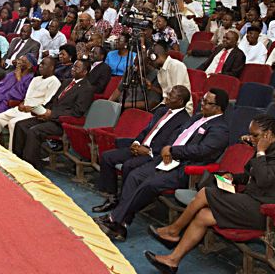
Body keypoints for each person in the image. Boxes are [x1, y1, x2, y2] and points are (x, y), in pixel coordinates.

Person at [144, 114, 275, 274]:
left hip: (261, 210)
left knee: (205, 193)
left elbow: (264, 179)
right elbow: (251, 175)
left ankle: (173, 230)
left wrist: (261, 152)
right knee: (203, 216)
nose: (251, 138)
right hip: (249, 202)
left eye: (255, 135)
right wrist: (233, 178)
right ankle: (172, 261)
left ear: (268, 135)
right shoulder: (264, 150)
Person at [96, 89, 230, 241]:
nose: (202, 104)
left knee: (149, 184)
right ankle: (120, 223)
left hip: (184, 168)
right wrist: (167, 149)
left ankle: (116, 219)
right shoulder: (198, 117)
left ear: (218, 108)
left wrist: (173, 150)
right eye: (203, 100)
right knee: (134, 176)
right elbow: (177, 133)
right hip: (166, 159)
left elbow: (202, 151)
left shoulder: (220, 129)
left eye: (207, 103)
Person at [93, 86, 192, 212]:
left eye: (171, 96)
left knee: (129, 165)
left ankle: (125, 201)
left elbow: (171, 144)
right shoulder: (162, 111)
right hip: (140, 147)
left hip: (154, 155)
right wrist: (136, 142)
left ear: (180, 101)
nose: (166, 96)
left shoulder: (184, 120)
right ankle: (112, 197)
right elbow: (146, 130)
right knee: (107, 157)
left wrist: (148, 151)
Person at [11, 59, 96, 166]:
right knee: (20, 125)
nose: (73, 69)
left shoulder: (87, 88)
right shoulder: (66, 82)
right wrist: (42, 111)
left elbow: (77, 112)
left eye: (77, 68)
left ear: (85, 72)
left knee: (34, 131)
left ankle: (30, 164)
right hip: (49, 116)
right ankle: (17, 158)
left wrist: (52, 114)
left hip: (61, 122)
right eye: (73, 66)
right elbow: (53, 100)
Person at [0, 56, 61, 149]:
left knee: (13, 123)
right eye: (40, 64)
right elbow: (27, 97)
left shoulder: (54, 81)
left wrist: (30, 108)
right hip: (23, 108)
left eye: (44, 64)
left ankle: (11, 153)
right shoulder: (36, 79)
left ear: (51, 68)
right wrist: (22, 104)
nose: (40, 66)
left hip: (34, 112)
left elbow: (47, 103)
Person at [152, 41, 192, 113]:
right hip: (168, 105)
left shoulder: (177, 66)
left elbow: (177, 96)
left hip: (180, 109)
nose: (150, 62)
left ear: (155, 56)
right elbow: (165, 93)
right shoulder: (160, 70)